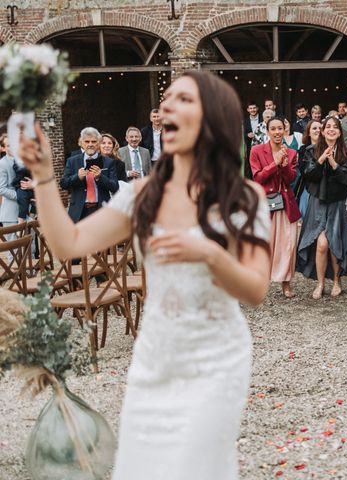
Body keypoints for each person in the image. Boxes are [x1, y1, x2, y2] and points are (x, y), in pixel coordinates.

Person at [19, 71, 272, 480]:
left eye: (183, 100)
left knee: (197, 468)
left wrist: (208, 252)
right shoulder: (143, 195)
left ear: (214, 119)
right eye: (166, 99)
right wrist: (46, 177)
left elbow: (256, 289)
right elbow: (67, 243)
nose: (167, 106)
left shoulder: (243, 198)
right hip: (154, 358)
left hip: (215, 360)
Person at [296, 117, 347, 298]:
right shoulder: (311, 151)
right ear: (322, 131)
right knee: (321, 244)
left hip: (338, 204)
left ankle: (337, 281)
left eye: (335, 127)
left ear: (339, 132)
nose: (331, 130)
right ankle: (320, 284)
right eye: (327, 127)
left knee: (335, 242)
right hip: (318, 203)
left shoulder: (346, 152)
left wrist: (335, 164)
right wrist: (321, 159)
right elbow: (308, 175)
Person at [250, 117, 301, 298]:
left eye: (280, 128)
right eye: (274, 129)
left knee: (287, 244)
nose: (277, 132)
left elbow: (291, 179)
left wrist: (285, 166)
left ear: (285, 130)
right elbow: (258, 178)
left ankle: (285, 283)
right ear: (268, 131)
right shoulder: (256, 151)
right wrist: (275, 163)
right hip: (265, 204)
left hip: (286, 203)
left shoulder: (293, 152)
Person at [60, 128, 119, 222]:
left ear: (99, 143)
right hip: (79, 210)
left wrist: (101, 177)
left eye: (93, 141)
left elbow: (115, 187)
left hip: (100, 209)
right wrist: (77, 177)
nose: (90, 144)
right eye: (87, 141)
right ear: (81, 143)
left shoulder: (109, 162)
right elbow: (63, 184)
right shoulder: (72, 161)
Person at [295, 120, 322, 218]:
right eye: (314, 128)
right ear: (309, 133)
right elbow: (304, 172)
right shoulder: (303, 149)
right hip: (308, 189)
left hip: (325, 189)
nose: (318, 130)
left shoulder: (328, 148)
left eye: (320, 128)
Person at [0, 134, 19, 231]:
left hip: (27, 212)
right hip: (10, 214)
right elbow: (1, 189)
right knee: (14, 245)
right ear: (3, 148)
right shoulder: (2, 164)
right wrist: (19, 196)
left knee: (30, 244)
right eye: (8, 145)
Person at [243, 100, 260, 177]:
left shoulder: (262, 119)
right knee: (251, 165)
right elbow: (242, 133)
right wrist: (247, 135)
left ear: (257, 108)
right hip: (250, 147)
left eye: (254, 108)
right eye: (251, 108)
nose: (252, 110)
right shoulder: (245, 121)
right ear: (248, 110)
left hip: (261, 146)